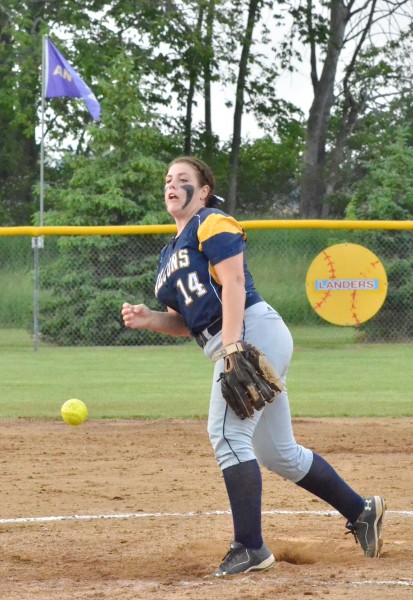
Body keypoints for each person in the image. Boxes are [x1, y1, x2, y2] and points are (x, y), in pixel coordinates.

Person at [121, 156, 385, 577]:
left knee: (226, 433)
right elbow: (186, 322)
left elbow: (235, 284)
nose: (172, 184)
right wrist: (149, 319)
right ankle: (361, 509)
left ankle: (250, 547)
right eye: (168, 179)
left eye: (183, 179)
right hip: (236, 339)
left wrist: (231, 347)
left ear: (203, 190)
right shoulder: (167, 256)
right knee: (278, 453)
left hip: (250, 334)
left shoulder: (212, 222)